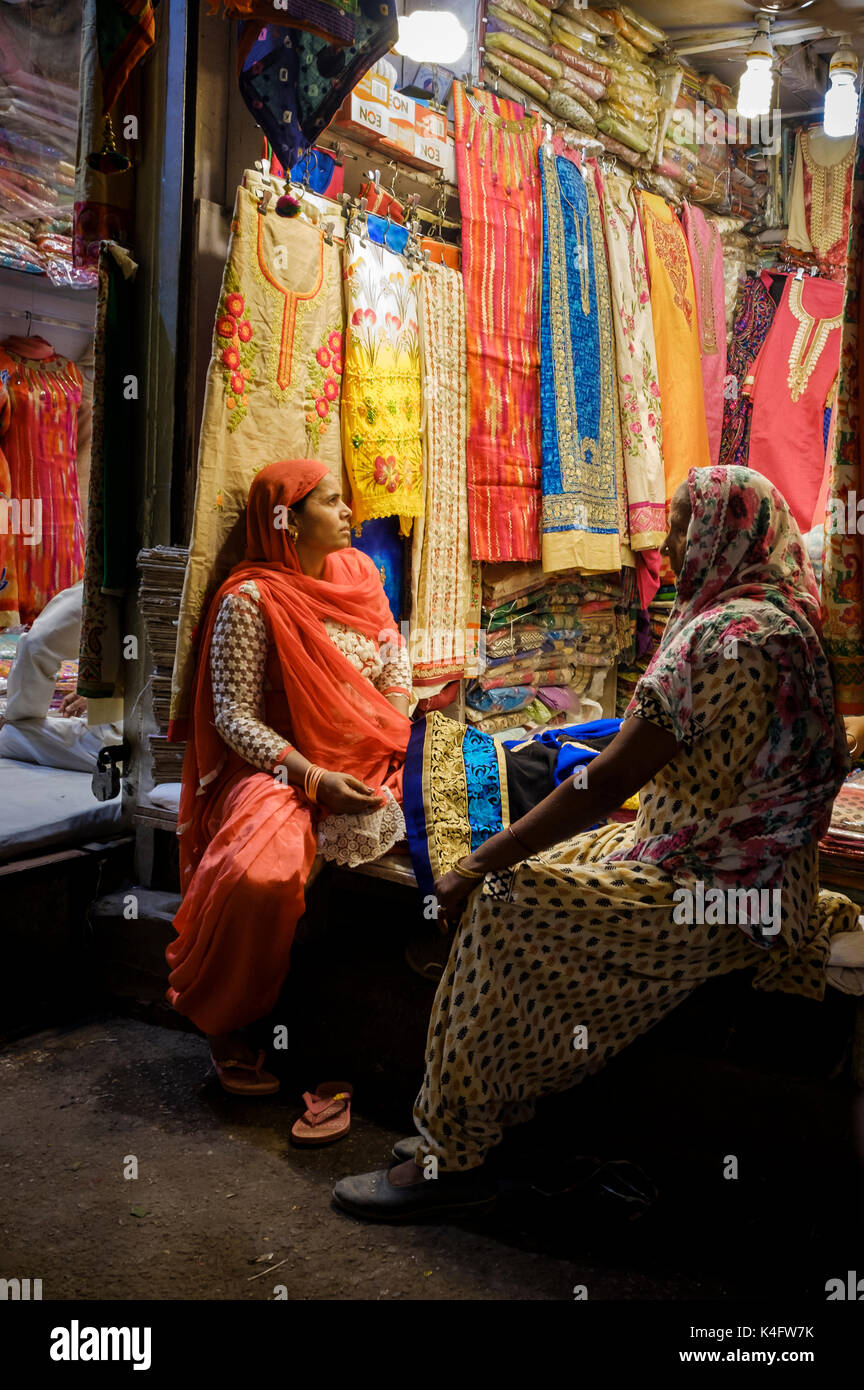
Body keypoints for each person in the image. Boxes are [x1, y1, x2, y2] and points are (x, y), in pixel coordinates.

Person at [333, 464, 857, 1221]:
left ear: (723, 533)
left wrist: (479, 861)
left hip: (709, 896)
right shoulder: (794, 621)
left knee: (509, 900)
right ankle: (480, 1117)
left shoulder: (713, 640)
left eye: (681, 527)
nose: (669, 545)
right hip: (773, 886)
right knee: (538, 871)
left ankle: (457, 1154)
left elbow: (600, 786)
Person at [166, 459, 412, 1104]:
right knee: (261, 874)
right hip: (282, 764)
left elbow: (393, 659)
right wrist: (314, 777)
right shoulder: (248, 600)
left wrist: (384, 728)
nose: (349, 513)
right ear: (287, 519)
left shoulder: (361, 573)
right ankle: (227, 1023)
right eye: (331, 502)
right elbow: (233, 718)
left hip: (375, 746)